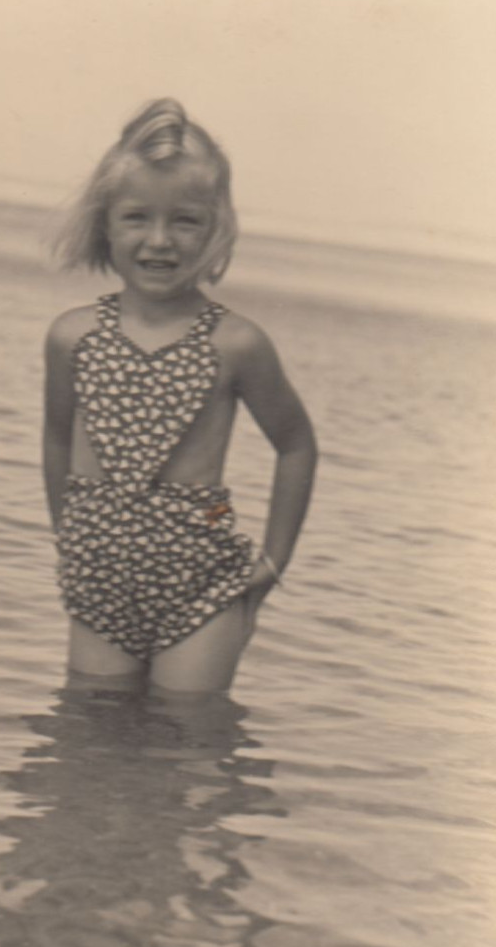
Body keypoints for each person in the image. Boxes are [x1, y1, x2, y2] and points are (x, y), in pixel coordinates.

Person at [43, 98, 317, 695]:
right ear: (104, 224)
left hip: (201, 586)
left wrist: (272, 564)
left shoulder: (235, 343)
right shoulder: (73, 336)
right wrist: (71, 542)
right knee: (87, 743)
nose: (159, 240)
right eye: (137, 217)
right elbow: (58, 437)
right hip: (98, 586)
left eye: (186, 221)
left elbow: (295, 445)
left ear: (216, 230)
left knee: (189, 740)